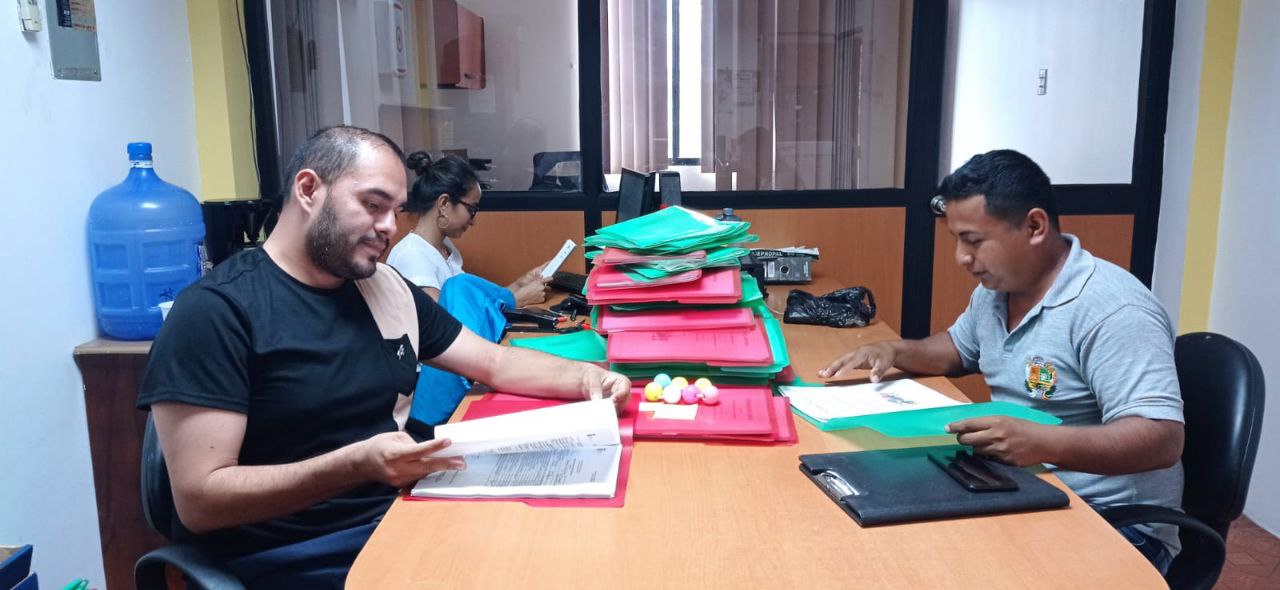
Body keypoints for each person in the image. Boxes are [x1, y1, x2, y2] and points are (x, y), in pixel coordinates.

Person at [136, 125, 630, 588]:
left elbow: (493, 363)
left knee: (561, 550)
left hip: (396, 517)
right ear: (308, 190)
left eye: (395, 211)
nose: (389, 227)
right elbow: (201, 501)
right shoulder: (216, 311)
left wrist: (589, 379)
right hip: (294, 556)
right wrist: (357, 464)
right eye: (373, 205)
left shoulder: (382, 286)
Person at [819, 149, 1184, 573]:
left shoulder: (1113, 310)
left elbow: (1162, 438)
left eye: (974, 241)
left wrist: (1042, 444)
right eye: (957, 240)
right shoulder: (998, 290)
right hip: (1017, 486)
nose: (961, 257)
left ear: (1034, 226)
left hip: (1113, 523)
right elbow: (957, 350)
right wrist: (896, 351)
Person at [386, 152, 549, 306]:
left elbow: (474, 307)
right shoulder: (412, 255)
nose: (473, 221)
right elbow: (444, 319)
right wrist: (516, 300)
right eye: (471, 210)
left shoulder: (445, 248)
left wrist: (520, 284)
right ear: (444, 204)